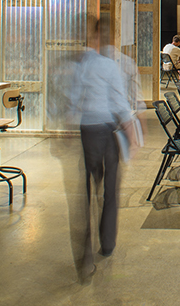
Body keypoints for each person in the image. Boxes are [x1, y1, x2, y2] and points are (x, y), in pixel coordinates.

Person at [69, 15, 137, 281]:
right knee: (110, 191)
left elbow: (73, 102)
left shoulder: (78, 66)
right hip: (106, 134)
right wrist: (131, 135)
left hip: (86, 134)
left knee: (85, 195)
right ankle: (106, 244)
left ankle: (84, 259)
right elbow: (120, 104)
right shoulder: (108, 66)